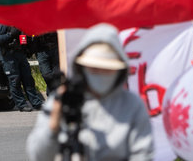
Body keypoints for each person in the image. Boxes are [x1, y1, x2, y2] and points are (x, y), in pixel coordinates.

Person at [27, 23, 154, 161]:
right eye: (94, 68)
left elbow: (143, 154)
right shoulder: (63, 100)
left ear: (119, 71)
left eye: (107, 69)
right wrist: (53, 126)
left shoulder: (132, 104)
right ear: (81, 68)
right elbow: (38, 155)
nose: (100, 74)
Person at [0, 24, 44, 112]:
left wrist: (29, 49)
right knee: (15, 80)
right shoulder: (4, 22)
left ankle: (36, 103)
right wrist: (10, 35)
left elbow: (28, 37)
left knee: (28, 79)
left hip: (21, 53)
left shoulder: (21, 21)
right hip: (9, 55)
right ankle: (22, 104)